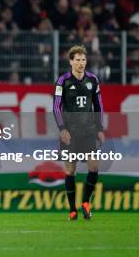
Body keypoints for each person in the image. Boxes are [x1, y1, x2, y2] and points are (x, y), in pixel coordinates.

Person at [53, 45, 105, 221]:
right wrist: (62, 128)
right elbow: (56, 107)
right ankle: (72, 210)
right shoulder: (63, 81)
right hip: (70, 132)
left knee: (94, 167)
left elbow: (98, 106)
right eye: (77, 60)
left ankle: (85, 202)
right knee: (70, 170)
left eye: (83, 60)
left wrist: (99, 129)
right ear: (70, 61)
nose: (81, 63)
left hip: (88, 130)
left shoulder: (93, 79)